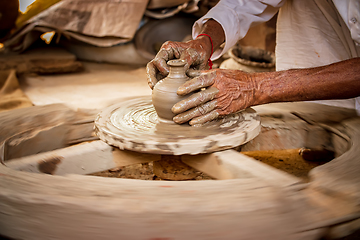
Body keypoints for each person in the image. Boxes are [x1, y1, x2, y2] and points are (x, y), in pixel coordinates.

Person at [146, 0, 360, 126]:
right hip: (329, 43)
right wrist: (205, 41)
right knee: (325, 134)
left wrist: (255, 87)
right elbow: (248, 2)